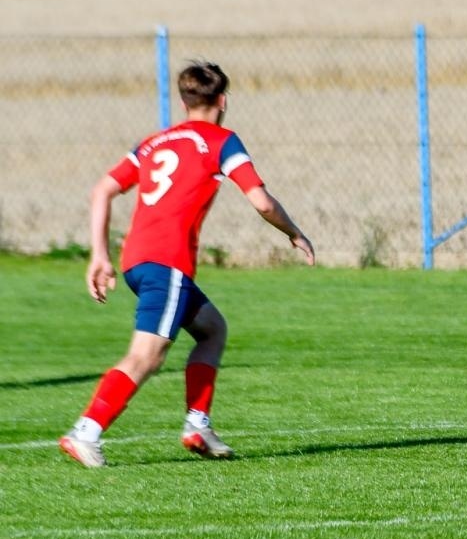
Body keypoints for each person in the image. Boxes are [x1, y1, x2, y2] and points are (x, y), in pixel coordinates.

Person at [58, 61, 315, 468]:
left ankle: (198, 425)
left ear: (185, 101)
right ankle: (86, 431)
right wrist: (294, 231)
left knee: (212, 329)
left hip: (137, 261)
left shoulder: (154, 142)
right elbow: (261, 200)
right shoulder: (221, 140)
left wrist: (100, 254)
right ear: (223, 100)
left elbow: (102, 190)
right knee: (147, 355)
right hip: (167, 262)